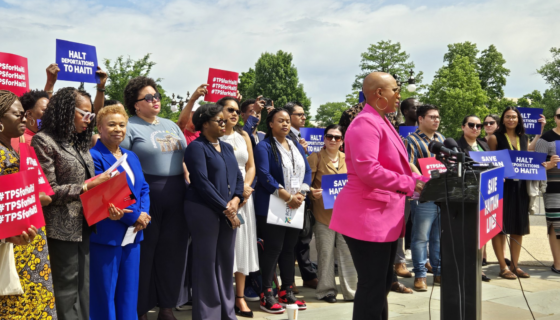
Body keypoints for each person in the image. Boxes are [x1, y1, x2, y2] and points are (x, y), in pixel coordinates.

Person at [330, 72, 426, 320]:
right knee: (372, 287)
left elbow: (396, 166)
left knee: (381, 285)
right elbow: (368, 170)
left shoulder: (382, 120)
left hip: (384, 215)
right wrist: (409, 183)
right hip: (367, 216)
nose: (399, 95)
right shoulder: (365, 123)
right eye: (395, 89)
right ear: (379, 93)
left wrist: (418, 180)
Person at [32, 87, 113, 320]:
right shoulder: (44, 140)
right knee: (66, 289)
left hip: (84, 222)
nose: (89, 120)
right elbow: (48, 191)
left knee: (83, 287)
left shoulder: (78, 141)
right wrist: (88, 186)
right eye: (84, 113)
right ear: (67, 111)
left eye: (92, 115)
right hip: (60, 227)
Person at [120, 76, 189, 320]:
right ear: (136, 104)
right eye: (148, 97)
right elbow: (123, 165)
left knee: (173, 253)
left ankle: (167, 307)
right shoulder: (129, 126)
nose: (155, 100)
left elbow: (184, 158)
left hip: (177, 194)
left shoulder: (171, 125)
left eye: (157, 95)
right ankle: (140, 308)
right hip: (146, 196)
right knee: (144, 253)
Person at [89, 105, 152, 320]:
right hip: (108, 234)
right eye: (112, 124)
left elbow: (143, 187)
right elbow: (106, 195)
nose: (118, 129)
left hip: (133, 234)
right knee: (104, 293)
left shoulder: (131, 156)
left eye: (122, 125)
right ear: (99, 127)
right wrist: (135, 216)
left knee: (128, 292)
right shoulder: (93, 156)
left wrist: (144, 214)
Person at [184, 104, 244, 320]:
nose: (224, 123)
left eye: (224, 120)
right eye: (219, 120)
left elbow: (238, 176)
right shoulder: (196, 147)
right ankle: (208, 314)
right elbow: (200, 181)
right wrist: (226, 209)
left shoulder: (226, 147)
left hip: (228, 210)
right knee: (206, 262)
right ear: (205, 123)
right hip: (203, 209)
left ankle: (227, 313)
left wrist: (237, 199)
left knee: (226, 260)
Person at [0, 90, 55, 319]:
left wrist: (34, 196)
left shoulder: (21, 152)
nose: (24, 118)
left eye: (24, 114)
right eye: (17, 114)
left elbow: (46, 195)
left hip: (31, 244)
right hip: (10, 247)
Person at [254, 108, 310, 313]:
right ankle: (266, 292)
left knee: (289, 249)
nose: (285, 124)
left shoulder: (296, 145)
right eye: (280, 121)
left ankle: (287, 290)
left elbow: (308, 171)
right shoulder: (264, 146)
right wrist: (286, 195)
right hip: (272, 205)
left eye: (287, 121)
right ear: (270, 124)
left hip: (296, 204)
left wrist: (302, 194)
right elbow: (264, 174)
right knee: (273, 249)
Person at [216, 96, 260, 318]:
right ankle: (222, 297)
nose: (234, 113)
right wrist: (232, 194)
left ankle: (240, 297)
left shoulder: (244, 136)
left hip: (244, 199)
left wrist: (245, 188)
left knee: (241, 248)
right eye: (229, 109)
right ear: (219, 112)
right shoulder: (212, 137)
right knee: (225, 249)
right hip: (221, 199)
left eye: (236, 110)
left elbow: (251, 166)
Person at [487, 106, 541, 279]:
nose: (511, 119)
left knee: (518, 226)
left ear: (519, 119)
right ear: (503, 120)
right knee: (499, 228)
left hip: (520, 188)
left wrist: (542, 166)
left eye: (514, 117)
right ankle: (503, 267)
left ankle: (515, 265)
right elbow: (491, 161)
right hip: (502, 187)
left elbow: (527, 161)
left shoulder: (523, 138)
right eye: (508, 117)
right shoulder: (495, 138)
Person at [307, 124, 357, 303]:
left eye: (337, 137)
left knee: (348, 253)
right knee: (326, 253)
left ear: (342, 141)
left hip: (346, 216)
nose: (333, 140)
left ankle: (351, 291)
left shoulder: (348, 158)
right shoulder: (315, 157)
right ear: (324, 138)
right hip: (323, 215)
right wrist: (312, 192)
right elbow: (307, 183)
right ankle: (326, 290)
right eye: (329, 136)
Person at [405, 104, 445, 291]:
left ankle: (438, 272)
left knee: (438, 237)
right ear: (420, 119)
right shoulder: (411, 140)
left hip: (442, 194)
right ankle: (420, 274)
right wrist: (423, 179)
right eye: (432, 117)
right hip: (423, 194)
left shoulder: (442, 139)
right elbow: (409, 164)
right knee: (421, 237)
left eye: (438, 117)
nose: (436, 120)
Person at [283, 101, 319, 291]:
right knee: (289, 240)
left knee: (304, 236)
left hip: (302, 193)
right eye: (299, 114)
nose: (304, 117)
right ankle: (288, 281)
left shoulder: (301, 138)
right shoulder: (283, 137)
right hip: (285, 195)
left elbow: (305, 168)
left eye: (304, 114)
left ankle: (307, 275)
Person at [455, 115, 491, 282]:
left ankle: (478, 267)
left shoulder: (484, 144)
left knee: (481, 231)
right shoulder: (456, 146)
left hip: (485, 194)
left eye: (479, 125)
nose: (476, 128)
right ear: (463, 127)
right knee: (467, 231)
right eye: (471, 125)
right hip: (466, 195)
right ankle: (467, 266)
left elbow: (493, 164)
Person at [535, 107, 560, 274]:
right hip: (553, 189)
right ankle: (558, 264)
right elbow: (536, 166)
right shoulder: (545, 139)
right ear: (555, 118)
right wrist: (549, 165)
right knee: (556, 225)